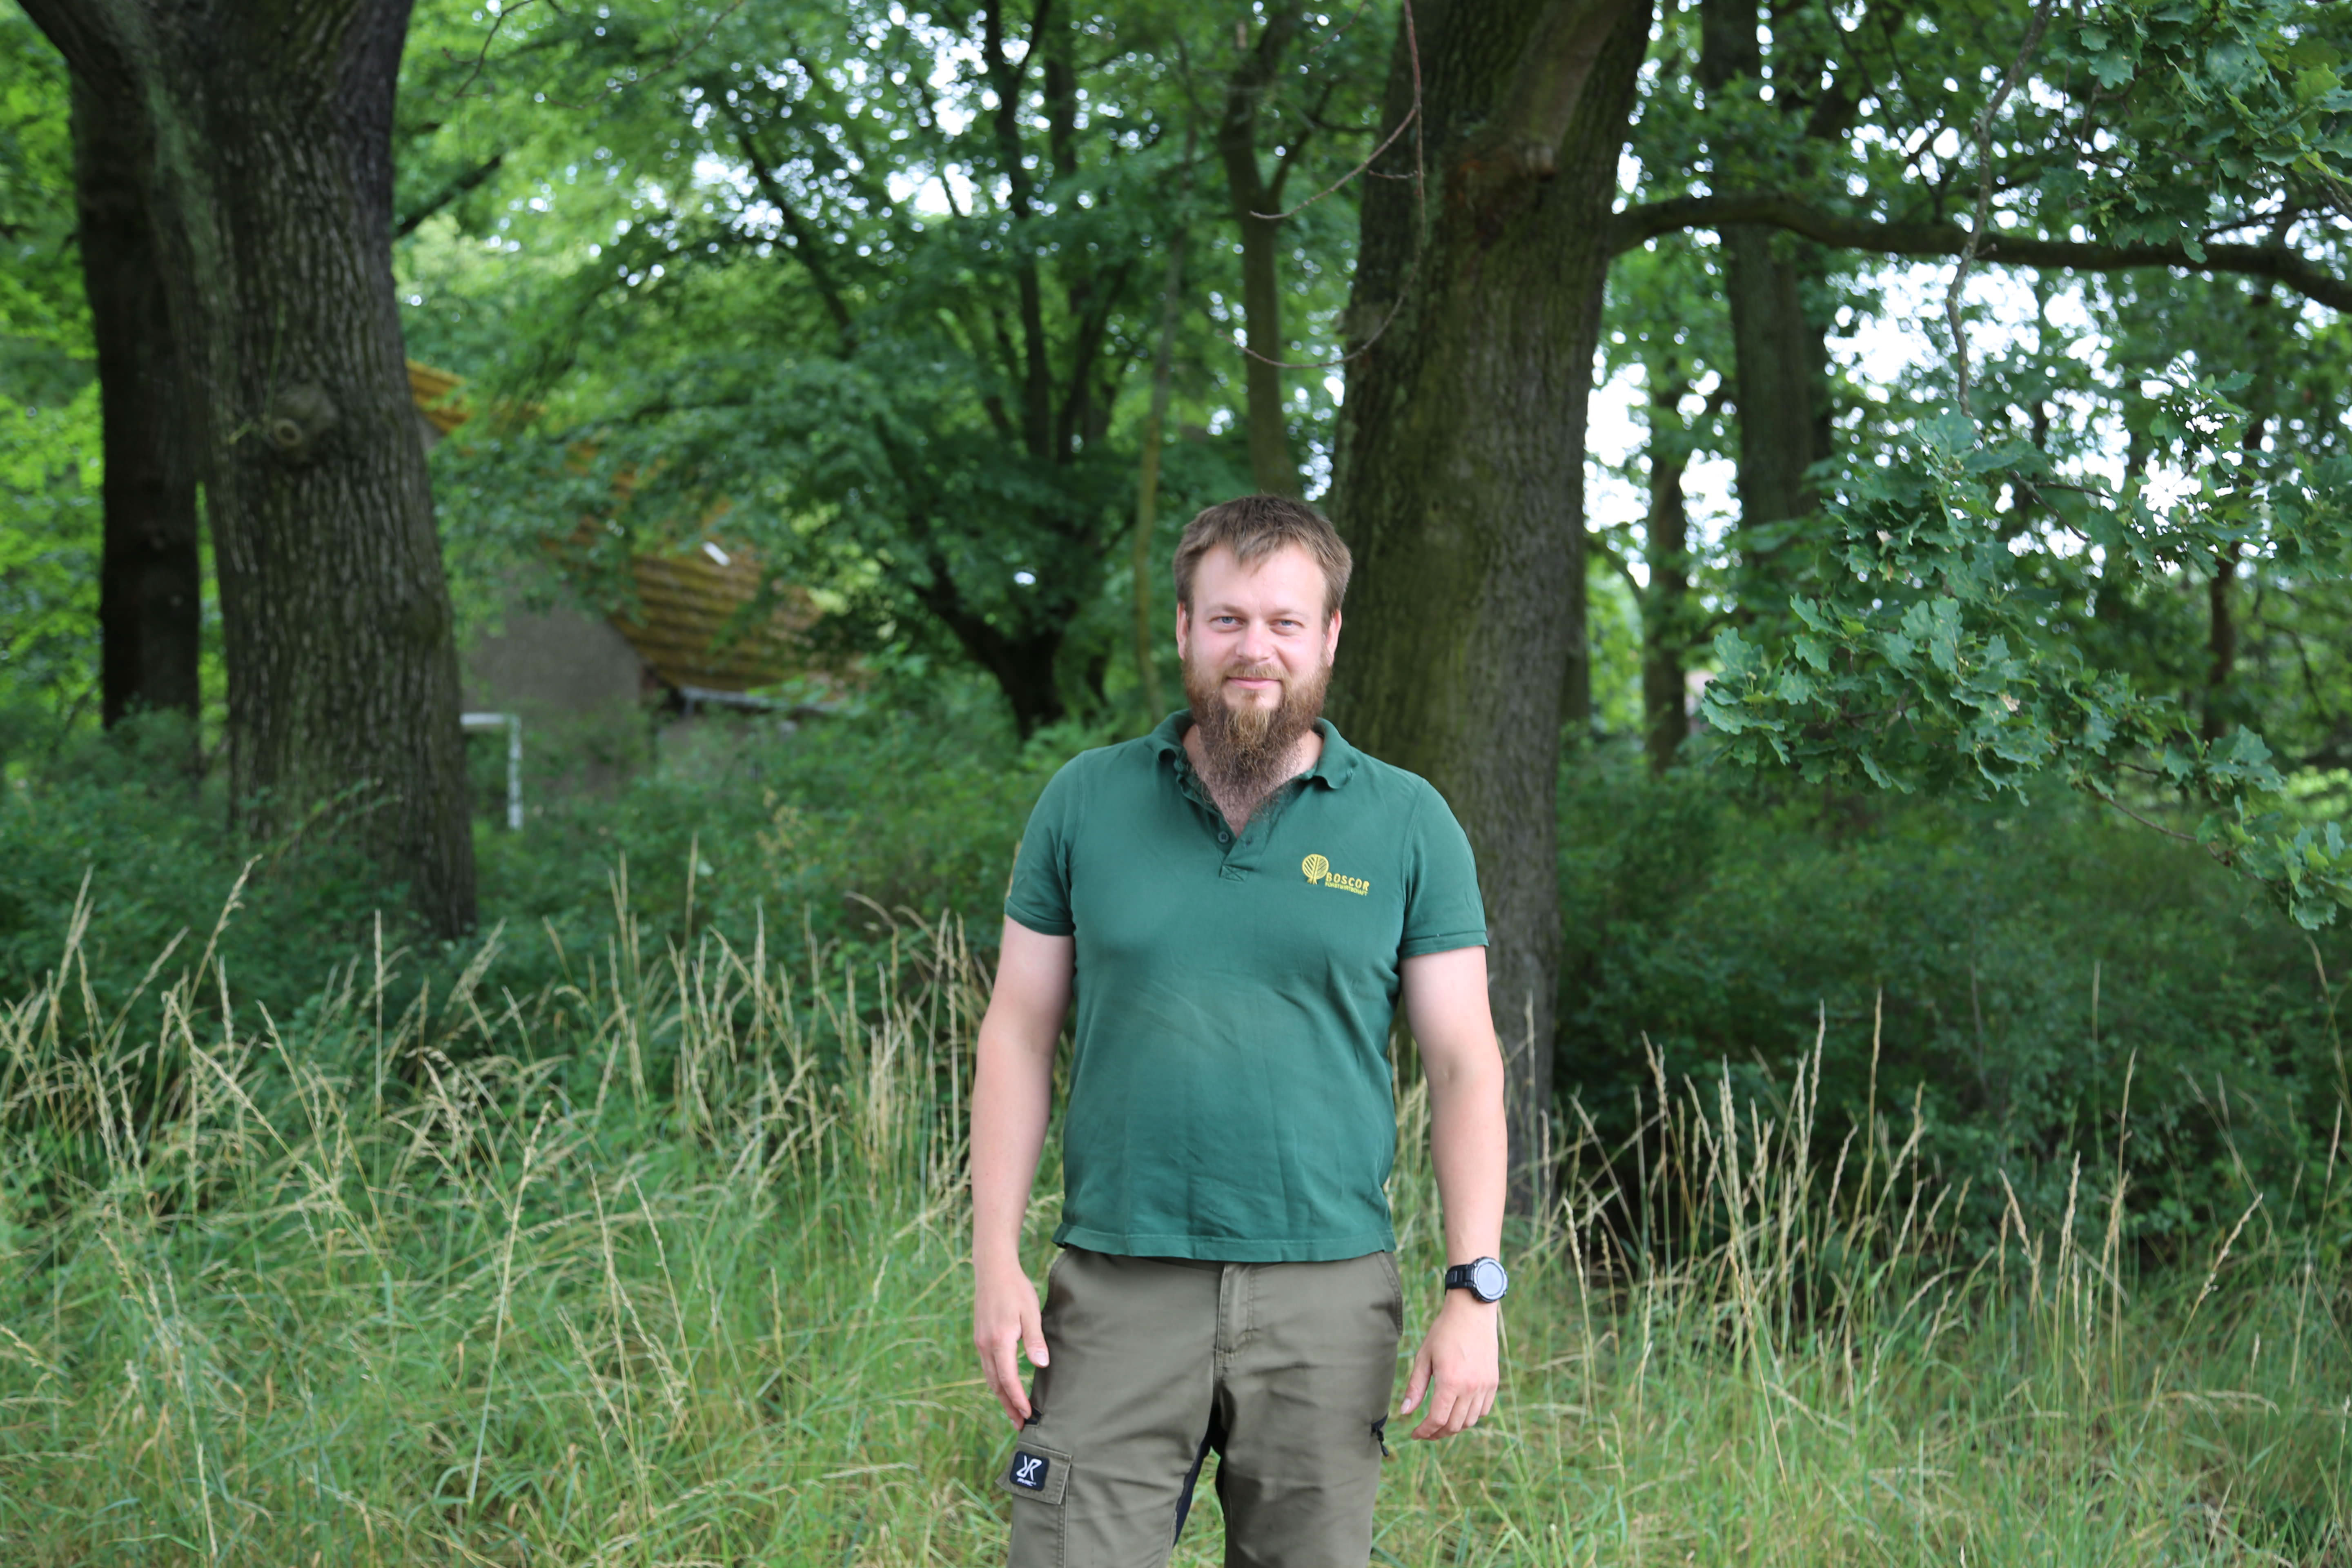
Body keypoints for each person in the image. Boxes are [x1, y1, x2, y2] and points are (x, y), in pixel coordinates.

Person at [970, 494, 1508, 1567]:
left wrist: (1474, 1290)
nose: (1254, 648)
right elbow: (1016, 1034)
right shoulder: (1085, 801)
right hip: (1118, 1287)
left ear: (1330, 636)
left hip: (1326, 1296)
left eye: (1284, 622)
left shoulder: (1409, 822)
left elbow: (1463, 1065)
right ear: (1184, 629)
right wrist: (995, 1259)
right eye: (1226, 620)